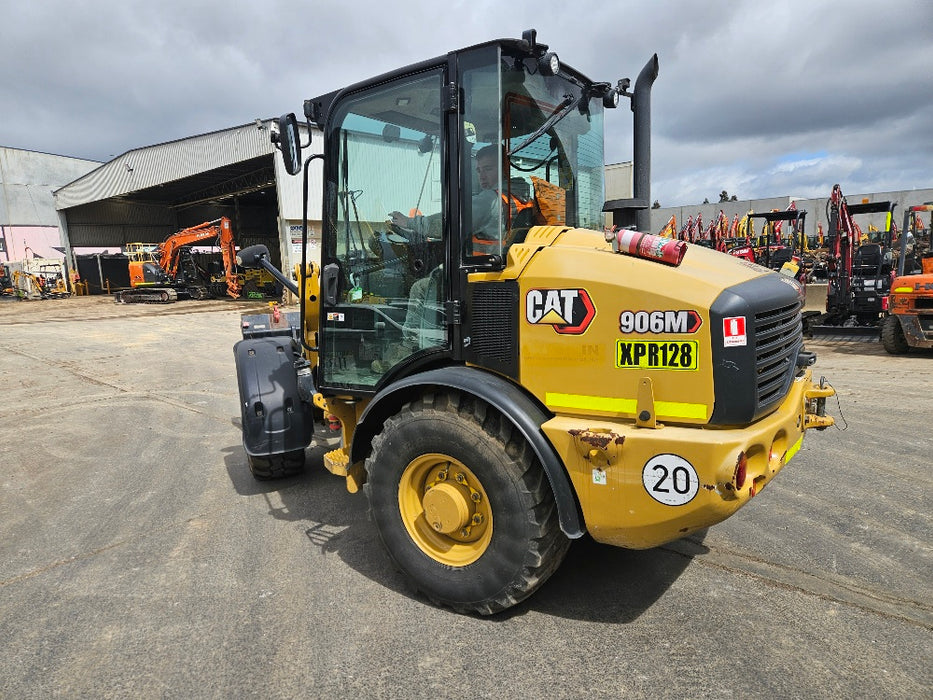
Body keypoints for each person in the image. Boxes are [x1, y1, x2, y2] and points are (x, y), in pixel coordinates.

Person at [389, 144, 532, 256]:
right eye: (479, 170)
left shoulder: (490, 200)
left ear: (505, 169)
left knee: (419, 288)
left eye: (488, 169)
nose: (481, 176)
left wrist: (408, 222)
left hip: (481, 273)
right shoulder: (522, 197)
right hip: (504, 265)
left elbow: (449, 224)